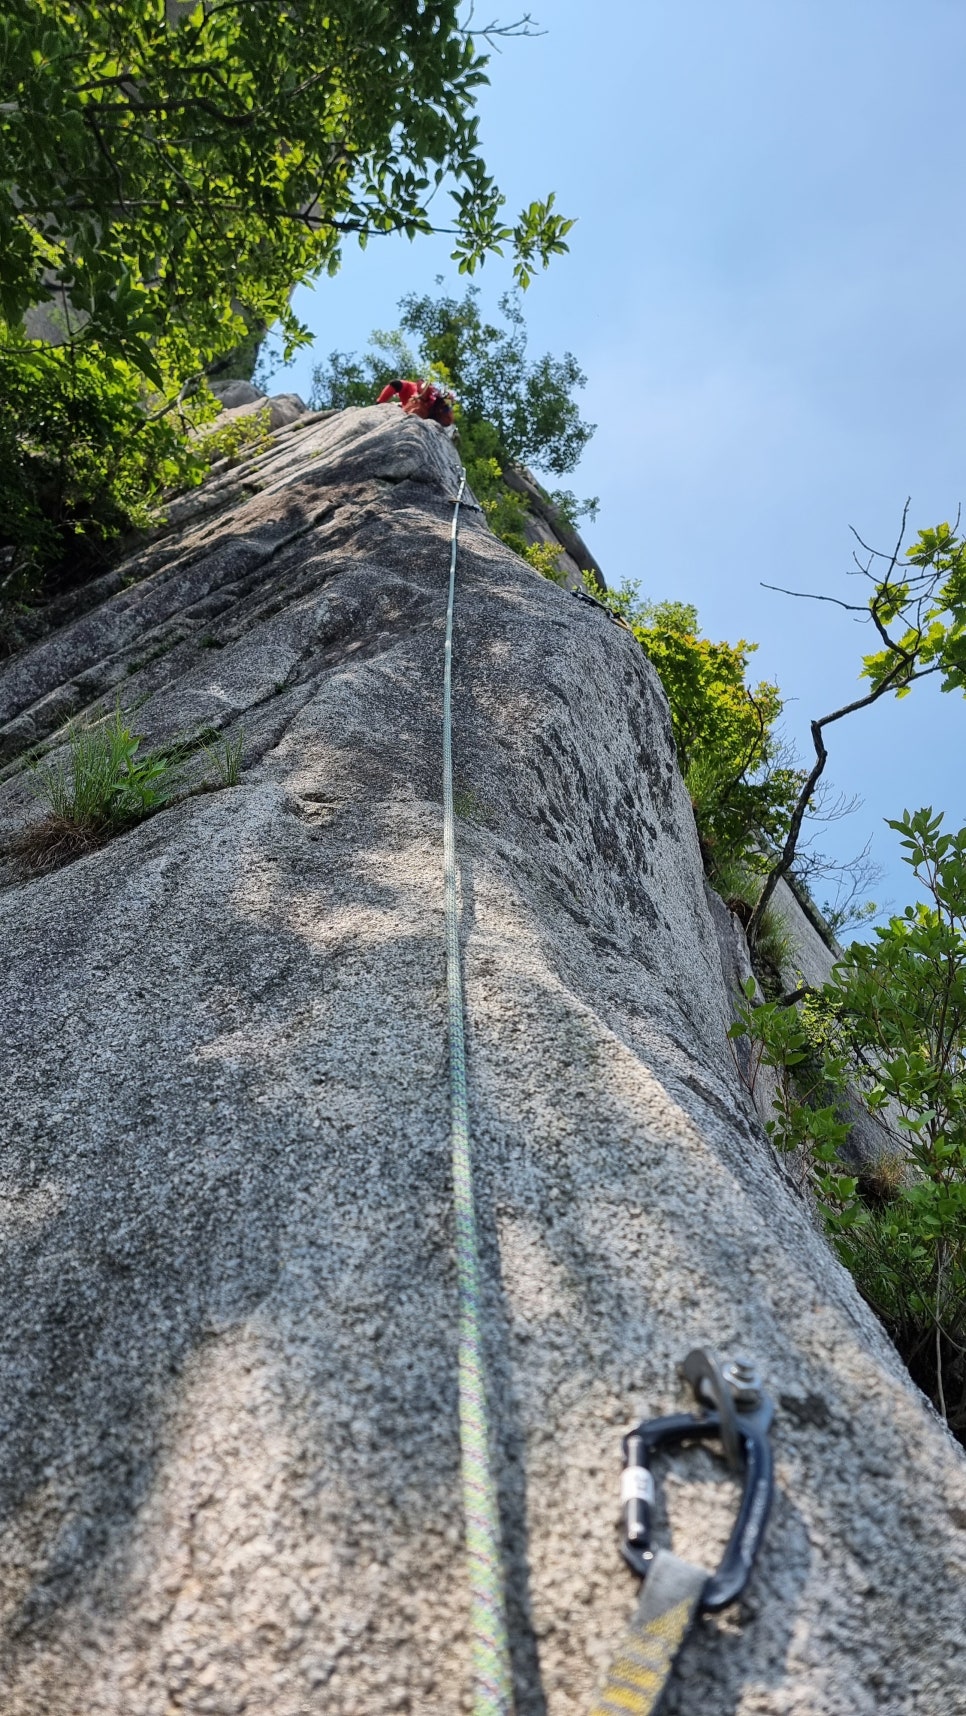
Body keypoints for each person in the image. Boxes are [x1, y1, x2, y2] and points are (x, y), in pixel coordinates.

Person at [376, 378, 455, 429]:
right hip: (407, 411)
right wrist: (379, 403)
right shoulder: (411, 388)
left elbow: (448, 421)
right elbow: (395, 384)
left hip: (435, 417)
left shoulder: (441, 406)